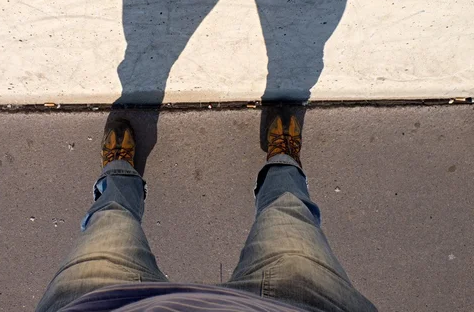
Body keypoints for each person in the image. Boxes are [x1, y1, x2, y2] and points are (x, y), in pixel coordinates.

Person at [36, 113, 377, 312]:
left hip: (103, 302)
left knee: (111, 220)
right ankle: (283, 160)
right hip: (298, 303)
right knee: (287, 211)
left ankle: (119, 173)